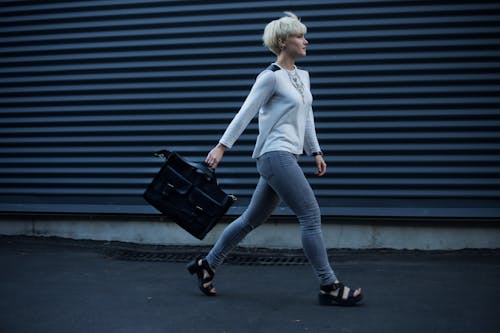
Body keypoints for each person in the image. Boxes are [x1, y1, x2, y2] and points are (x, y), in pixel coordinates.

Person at [187, 12, 362, 306]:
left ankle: (208, 263)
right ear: (283, 42)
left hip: (287, 156)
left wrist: (316, 151)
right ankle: (328, 285)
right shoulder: (269, 77)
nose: (306, 41)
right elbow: (245, 114)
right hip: (274, 154)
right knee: (310, 215)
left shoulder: (302, 77)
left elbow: (307, 119)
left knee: (250, 220)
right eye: (299, 36)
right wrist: (221, 147)